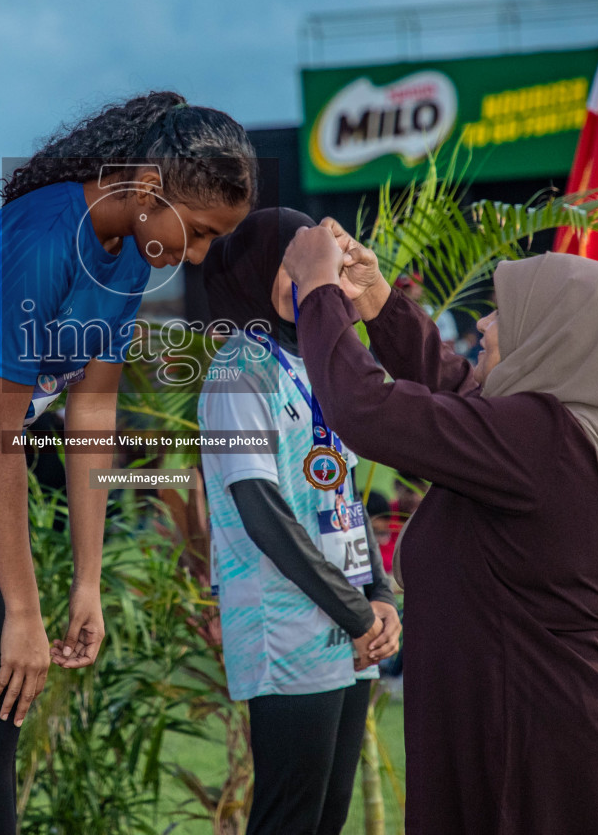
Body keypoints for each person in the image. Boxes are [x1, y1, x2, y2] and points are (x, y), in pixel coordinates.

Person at [0, 92, 255, 835]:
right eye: (197, 233)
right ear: (150, 187)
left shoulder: (132, 253)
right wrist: (26, 615)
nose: (196, 255)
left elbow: (89, 417)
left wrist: (88, 583)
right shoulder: (43, 235)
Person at [284, 226, 598, 835]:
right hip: (543, 724)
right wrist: (376, 298)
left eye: (506, 313)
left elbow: (368, 412)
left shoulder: (543, 436)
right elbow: (457, 391)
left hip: (534, 744)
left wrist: (320, 289)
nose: (482, 325)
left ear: (553, 338)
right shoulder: (569, 430)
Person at [197, 208, 399, 835]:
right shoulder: (237, 370)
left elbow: (340, 490)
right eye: (291, 269)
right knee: (289, 818)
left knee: (326, 819)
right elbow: (262, 511)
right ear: (258, 274)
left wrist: (381, 594)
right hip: (285, 633)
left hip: (348, 626)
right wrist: (356, 611)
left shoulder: (321, 359)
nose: (308, 281)